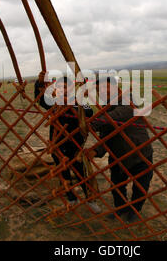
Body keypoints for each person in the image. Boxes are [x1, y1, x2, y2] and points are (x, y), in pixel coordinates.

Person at [86, 76, 153, 223]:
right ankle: (120, 208)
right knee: (116, 185)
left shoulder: (127, 100)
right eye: (99, 89)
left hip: (139, 152)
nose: (103, 91)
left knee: (141, 185)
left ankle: (135, 210)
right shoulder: (105, 110)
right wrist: (96, 151)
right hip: (117, 155)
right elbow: (106, 136)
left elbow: (118, 115)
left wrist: (91, 123)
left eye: (106, 86)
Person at [34, 71, 101, 213]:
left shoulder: (79, 102)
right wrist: (39, 83)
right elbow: (39, 99)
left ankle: (90, 200)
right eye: (60, 87)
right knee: (63, 174)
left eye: (66, 87)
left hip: (74, 147)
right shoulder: (53, 104)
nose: (63, 90)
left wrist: (72, 105)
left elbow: (89, 113)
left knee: (81, 174)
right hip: (58, 146)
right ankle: (71, 198)